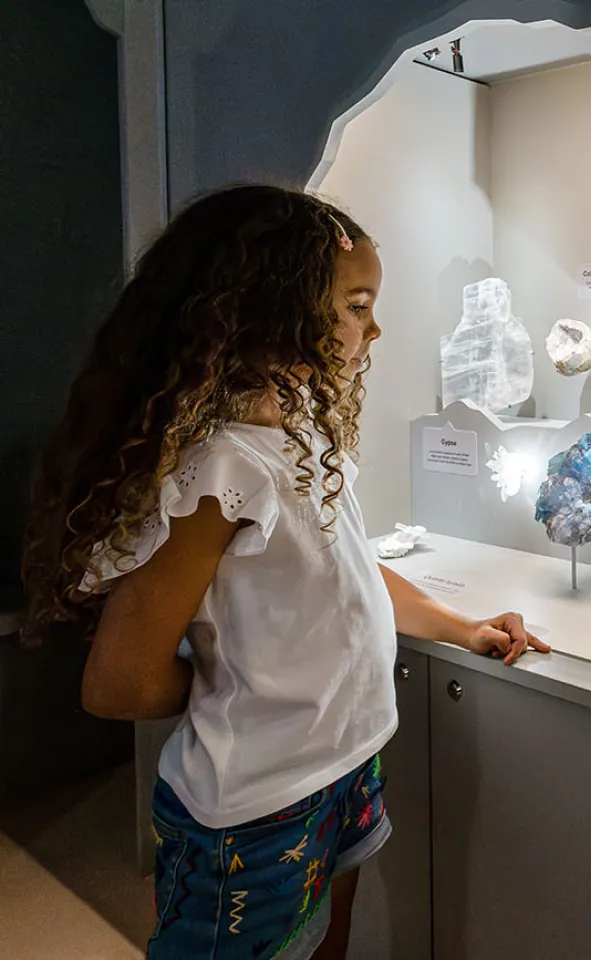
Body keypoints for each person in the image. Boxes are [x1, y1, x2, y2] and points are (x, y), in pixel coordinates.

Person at [20, 184, 549, 959]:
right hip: (258, 806)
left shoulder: (296, 427)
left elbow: (343, 571)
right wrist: (244, 693)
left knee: (325, 940)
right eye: (356, 305)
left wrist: (457, 626)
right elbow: (120, 682)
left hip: (345, 767)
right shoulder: (220, 468)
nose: (376, 328)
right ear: (275, 307)